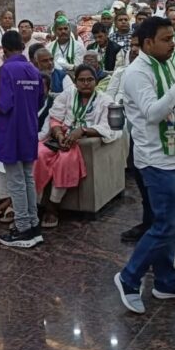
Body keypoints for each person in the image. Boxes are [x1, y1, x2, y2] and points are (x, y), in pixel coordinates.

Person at [114, 16, 175, 312]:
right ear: (147, 42)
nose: (172, 44)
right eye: (166, 39)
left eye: (172, 38)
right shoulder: (136, 73)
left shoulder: (162, 64)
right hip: (157, 160)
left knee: (169, 225)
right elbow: (153, 113)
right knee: (163, 225)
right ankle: (128, 278)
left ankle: (165, 282)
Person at [35, 64, 118, 229]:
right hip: (59, 138)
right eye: (82, 80)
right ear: (75, 82)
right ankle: (35, 204)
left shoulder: (105, 100)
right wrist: (59, 135)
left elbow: (109, 128)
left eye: (90, 80)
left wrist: (82, 131)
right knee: (38, 154)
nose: (86, 83)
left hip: (81, 142)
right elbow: (55, 118)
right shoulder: (67, 94)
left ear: (96, 81)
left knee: (64, 160)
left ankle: (53, 207)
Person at [0, 31, 45, 247]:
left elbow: (5, 104)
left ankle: (23, 228)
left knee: (15, 181)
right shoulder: (34, 70)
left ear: (4, 49)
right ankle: (33, 224)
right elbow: (40, 100)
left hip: (11, 130)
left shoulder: (6, 69)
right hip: (29, 128)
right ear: (22, 47)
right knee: (27, 177)